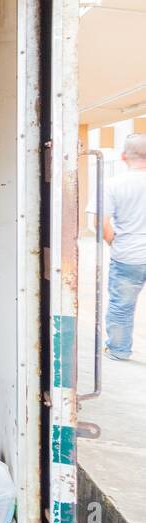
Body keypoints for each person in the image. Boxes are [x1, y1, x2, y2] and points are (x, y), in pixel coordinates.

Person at [103, 133, 146, 360]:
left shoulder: (113, 184)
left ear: (123, 156)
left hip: (128, 256)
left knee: (122, 306)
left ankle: (119, 351)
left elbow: (102, 223)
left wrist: (115, 244)